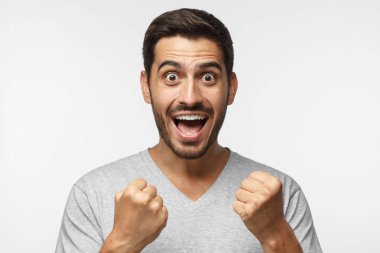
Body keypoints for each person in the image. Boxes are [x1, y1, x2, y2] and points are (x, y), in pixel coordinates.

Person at [55, 8, 322, 253]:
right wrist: (123, 242)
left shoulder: (280, 195)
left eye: (208, 77)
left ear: (231, 88)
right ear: (147, 86)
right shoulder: (92, 193)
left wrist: (275, 234)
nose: (190, 96)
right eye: (172, 77)